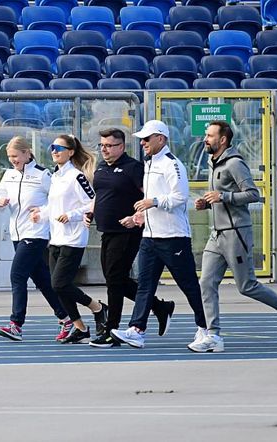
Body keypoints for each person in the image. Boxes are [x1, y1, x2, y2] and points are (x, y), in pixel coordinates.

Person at [189, 121, 277, 352]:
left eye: (210, 135)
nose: (205, 139)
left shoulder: (234, 163)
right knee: (205, 282)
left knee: (247, 286)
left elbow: (253, 194)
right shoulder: (212, 161)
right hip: (217, 234)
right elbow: (220, 197)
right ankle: (213, 335)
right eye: (206, 135)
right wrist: (206, 203)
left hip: (236, 234)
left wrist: (224, 197)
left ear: (223, 140)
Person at [110, 120, 207, 349]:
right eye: (141, 139)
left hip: (173, 237)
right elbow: (152, 200)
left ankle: (206, 326)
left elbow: (180, 197)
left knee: (189, 285)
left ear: (160, 139)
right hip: (150, 237)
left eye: (146, 138)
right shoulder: (150, 163)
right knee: (145, 285)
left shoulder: (173, 165)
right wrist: (139, 218)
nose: (142, 142)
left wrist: (152, 202)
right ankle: (137, 329)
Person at [87, 128, 176, 348]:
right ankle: (159, 307)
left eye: (109, 146)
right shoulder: (101, 167)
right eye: (102, 145)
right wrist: (91, 212)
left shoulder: (134, 168)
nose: (104, 150)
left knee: (115, 281)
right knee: (114, 278)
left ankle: (111, 330)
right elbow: (100, 194)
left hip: (127, 232)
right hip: (106, 231)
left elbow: (149, 196)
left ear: (121, 146)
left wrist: (137, 216)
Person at [31, 134, 107, 344]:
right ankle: (80, 328)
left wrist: (72, 215)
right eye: (52, 147)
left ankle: (97, 307)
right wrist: (41, 213)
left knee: (59, 284)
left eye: (59, 147)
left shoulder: (76, 176)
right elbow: (55, 206)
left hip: (73, 238)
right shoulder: (56, 175)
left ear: (71, 152)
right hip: (55, 238)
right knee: (58, 286)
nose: (54, 151)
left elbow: (93, 202)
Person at [0, 136, 71, 342]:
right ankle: (67, 318)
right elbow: (0, 196)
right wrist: (1, 202)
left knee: (17, 275)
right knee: (43, 280)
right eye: (9, 156)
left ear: (27, 153)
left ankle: (16, 324)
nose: (13, 160)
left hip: (35, 233)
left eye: (16, 156)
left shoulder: (42, 175)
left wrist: (42, 212)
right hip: (16, 233)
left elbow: (57, 200)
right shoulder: (9, 175)